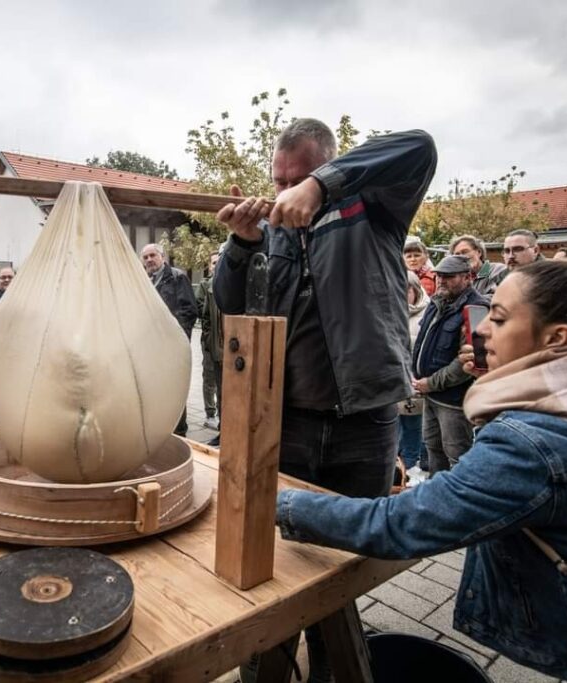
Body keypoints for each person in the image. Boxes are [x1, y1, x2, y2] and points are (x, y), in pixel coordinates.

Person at [275, 249, 567, 682]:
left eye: (498, 317)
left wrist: (284, 504)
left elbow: (402, 524)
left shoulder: (532, 443)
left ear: (557, 338)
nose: (481, 331)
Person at [213, 119, 436, 682]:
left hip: (365, 424)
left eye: (299, 178)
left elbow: (419, 146)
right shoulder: (271, 231)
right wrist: (241, 247)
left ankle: (333, 666)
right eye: (279, 178)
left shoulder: (375, 206)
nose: (286, 189)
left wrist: (323, 186)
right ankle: (266, 664)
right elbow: (229, 305)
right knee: (273, 557)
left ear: (328, 166)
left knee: (343, 561)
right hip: (284, 423)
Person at [410, 255, 488, 473]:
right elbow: (421, 344)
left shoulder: (477, 309)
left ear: (468, 278)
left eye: (449, 276)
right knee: (433, 449)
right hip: (431, 395)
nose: (442, 280)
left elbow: (471, 362)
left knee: (458, 457)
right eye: (439, 276)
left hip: (454, 400)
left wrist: (431, 383)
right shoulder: (437, 303)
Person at [141, 243, 197, 437]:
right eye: (145, 257)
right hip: (151, 347)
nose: (149, 260)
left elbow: (189, 311)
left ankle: (179, 433)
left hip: (172, 346)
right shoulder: (143, 281)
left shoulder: (176, 277)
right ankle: (159, 430)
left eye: (152, 256)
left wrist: (176, 340)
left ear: (162, 257)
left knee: (175, 389)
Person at [398, 270, 429, 482]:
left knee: (414, 425)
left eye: (406, 290)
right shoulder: (390, 310)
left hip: (417, 378)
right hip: (395, 378)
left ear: (414, 290)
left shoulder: (427, 312)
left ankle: (411, 464)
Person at [195, 250, 223, 431]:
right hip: (210, 340)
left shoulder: (229, 284)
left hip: (225, 341)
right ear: (209, 266)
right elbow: (200, 310)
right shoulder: (205, 286)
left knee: (223, 380)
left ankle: (222, 413)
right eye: (213, 263)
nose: (216, 265)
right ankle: (210, 413)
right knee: (210, 377)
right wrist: (206, 336)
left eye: (219, 262)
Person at [449, 234, 506, 300]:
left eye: (465, 252)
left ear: (479, 252)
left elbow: (501, 298)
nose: (462, 257)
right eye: (457, 254)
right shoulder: (457, 279)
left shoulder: (498, 270)